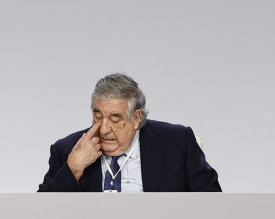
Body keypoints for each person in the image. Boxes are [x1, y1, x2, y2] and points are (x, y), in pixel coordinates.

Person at [38, 73, 221, 192]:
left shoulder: (177, 143)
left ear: (136, 118)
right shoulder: (67, 149)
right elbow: (43, 214)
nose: (104, 129)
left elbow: (212, 204)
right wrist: (73, 168)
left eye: (115, 119)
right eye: (98, 117)